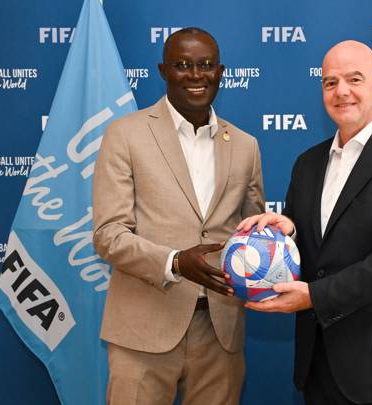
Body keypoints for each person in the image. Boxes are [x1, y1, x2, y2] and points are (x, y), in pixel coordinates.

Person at [238, 40, 372, 404]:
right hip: (319, 367)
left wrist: (315, 296)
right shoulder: (308, 163)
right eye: (330, 82)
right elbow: (315, 247)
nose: (341, 91)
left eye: (354, 79)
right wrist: (287, 233)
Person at [93, 27, 265, 404]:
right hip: (144, 328)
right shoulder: (124, 134)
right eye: (183, 65)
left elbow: (255, 233)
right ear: (163, 70)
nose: (195, 75)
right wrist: (174, 262)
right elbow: (108, 233)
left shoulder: (246, 145)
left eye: (206, 65)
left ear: (221, 72)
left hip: (220, 333)